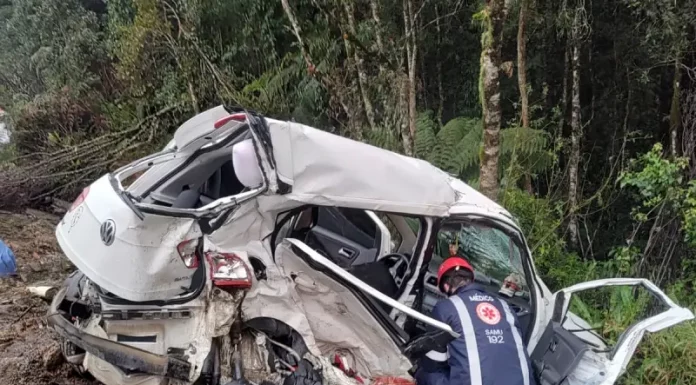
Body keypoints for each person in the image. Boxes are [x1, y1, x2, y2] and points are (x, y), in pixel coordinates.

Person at [415, 257, 536, 385]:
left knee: (425, 373)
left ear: (445, 286)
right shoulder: (505, 307)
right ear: (471, 279)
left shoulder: (446, 307)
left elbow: (433, 364)